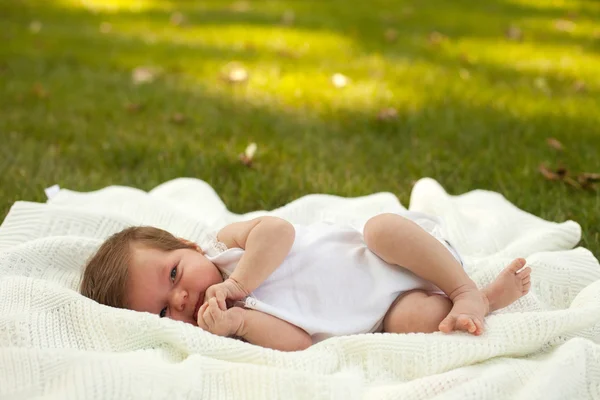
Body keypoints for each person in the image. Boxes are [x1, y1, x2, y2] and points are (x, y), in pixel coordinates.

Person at [80, 212, 531, 352]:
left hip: (391, 256)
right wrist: (238, 323)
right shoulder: (229, 327)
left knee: (382, 226)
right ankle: (485, 302)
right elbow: (299, 343)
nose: (180, 298)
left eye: (174, 274)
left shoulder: (227, 245)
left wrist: (239, 283)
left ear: (187, 246)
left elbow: (280, 231)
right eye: (163, 311)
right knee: (418, 321)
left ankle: (463, 288)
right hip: (383, 311)